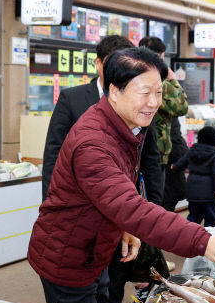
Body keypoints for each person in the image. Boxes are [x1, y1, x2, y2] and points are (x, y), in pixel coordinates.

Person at [28, 47, 215, 303]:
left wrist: (122, 227)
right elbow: (131, 207)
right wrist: (205, 242)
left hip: (94, 250)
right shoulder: (92, 143)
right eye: (145, 93)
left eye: (158, 92)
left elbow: (120, 195)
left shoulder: (125, 125)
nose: (154, 103)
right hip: (67, 259)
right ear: (115, 91)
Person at [42, 35, 163, 204]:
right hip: (80, 199)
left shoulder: (140, 102)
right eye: (112, 63)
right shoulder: (71, 99)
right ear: (98, 63)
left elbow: (150, 159)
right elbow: (53, 154)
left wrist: (156, 205)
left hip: (125, 202)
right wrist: (50, 201)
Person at [139, 36, 188, 185]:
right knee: (155, 198)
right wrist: (173, 79)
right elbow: (182, 106)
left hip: (135, 148)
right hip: (156, 150)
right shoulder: (158, 81)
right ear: (160, 56)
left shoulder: (131, 76)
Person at [172, 126, 215, 227]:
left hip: (193, 192)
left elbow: (181, 163)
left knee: (194, 216)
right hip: (208, 194)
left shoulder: (192, 150)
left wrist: (174, 166)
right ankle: (208, 239)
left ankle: (189, 235)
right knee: (209, 218)